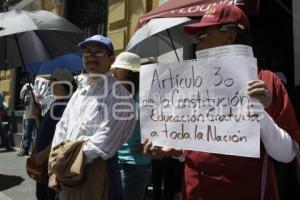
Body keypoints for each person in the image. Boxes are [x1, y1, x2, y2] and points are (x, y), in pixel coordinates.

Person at [143, 4, 300, 200]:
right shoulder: (192, 84)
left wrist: (259, 112)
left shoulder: (265, 81)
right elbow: (193, 147)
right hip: (195, 191)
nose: (197, 39)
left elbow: (286, 154)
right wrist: (173, 151)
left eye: (205, 31)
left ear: (230, 35)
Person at [51, 35, 136, 200]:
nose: (91, 57)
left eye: (99, 52)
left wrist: (65, 161)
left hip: (97, 171)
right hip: (67, 170)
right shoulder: (80, 92)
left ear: (111, 59)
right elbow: (62, 127)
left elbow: (105, 141)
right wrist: (56, 160)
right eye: (87, 52)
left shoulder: (120, 95)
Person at [110, 52, 152, 200]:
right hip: (117, 162)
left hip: (135, 165)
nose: (113, 71)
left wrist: (154, 143)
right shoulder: (117, 95)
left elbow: (159, 125)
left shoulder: (144, 97)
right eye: (113, 67)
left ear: (131, 72)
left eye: (118, 68)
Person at [33, 69, 76, 200]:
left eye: (52, 81)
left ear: (62, 84)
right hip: (45, 162)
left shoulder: (64, 105)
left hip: (50, 162)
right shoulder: (57, 103)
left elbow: (62, 137)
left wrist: (42, 155)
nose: (48, 85)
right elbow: (46, 130)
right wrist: (37, 116)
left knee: (49, 195)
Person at [18, 82, 39, 156]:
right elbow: (24, 104)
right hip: (28, 116)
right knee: (28, 134)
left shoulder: (34, 94)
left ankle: (36, 150)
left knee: (34, 134)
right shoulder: (26, 96)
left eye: (27, 88)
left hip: (34, 116)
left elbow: (38, 100)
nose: (26, 90)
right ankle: (26, 149)